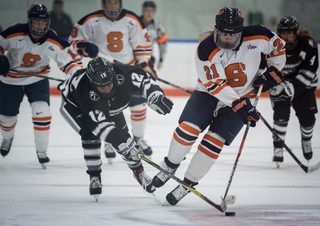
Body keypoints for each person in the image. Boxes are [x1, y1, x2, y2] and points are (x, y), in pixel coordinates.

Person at [151, 7, 286, 206]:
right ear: (217, 30)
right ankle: (170, 165)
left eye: (232, 34)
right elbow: (216, 85)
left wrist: (274, 70)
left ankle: (188, 183)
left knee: (214, 142)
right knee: (186, 131)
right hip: (208, 93)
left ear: (240, 31)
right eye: (223, 33)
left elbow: (279, 47)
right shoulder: (206, 49)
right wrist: (240, 104)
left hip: (243, 96)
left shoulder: (259, 35)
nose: (228, 38)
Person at [58, 57, 173, 199]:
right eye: (101, 86)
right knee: (90, 134)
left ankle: (139, 173)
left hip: (107, 105)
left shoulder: (123, 73)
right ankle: (94, 175)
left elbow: (144, 80)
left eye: (108, 83)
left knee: (125, 137)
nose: (106, 88)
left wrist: (155, 96)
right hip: (75, 106)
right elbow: (99, 126)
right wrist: (121, 143)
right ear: (92, 82)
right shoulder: (87, 94)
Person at [69, 0, 158, 163]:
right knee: (109, 110)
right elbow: (72, 44)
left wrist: (144, 65)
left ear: (120, 4)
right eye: (109, 3)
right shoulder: (89, 20)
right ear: (103, 4)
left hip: (127, 72)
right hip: (101, 76)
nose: (112, 7)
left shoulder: (132, 20)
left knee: (139, 105)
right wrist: (84, 47)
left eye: (115, 3)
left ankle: (138, 139)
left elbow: (143, 46)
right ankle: (111, 142)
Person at [0, 3, 83, 169]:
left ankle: (41, 150)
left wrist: (78, 75)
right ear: (29, 21)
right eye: (36, 22)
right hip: (10, 80)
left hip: (37, 80)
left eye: (43, 22)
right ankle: (7, 138)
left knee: (42, 112)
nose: (40, 26)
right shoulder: (14, 32)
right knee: (6, 119)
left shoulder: (53, 39)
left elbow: (66, 60)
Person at [269, 16, 318, 166]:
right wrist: (272, 83)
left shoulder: (308, 45)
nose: (287, 36)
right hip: (281, 86)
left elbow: (310, 71)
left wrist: (292, 87)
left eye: (290, 33)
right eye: (284, 33)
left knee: (308, 119)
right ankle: (278, 147)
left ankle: (306, 140)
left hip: (304, 87)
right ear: (279, 33)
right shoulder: (272, 45)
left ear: (296, 33)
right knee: (281, 116)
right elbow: (266, 67)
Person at [141, 1, 168, 70]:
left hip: (148, 58)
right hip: (133, 58)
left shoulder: (157, 26)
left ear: (154, 13)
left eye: (151, 11)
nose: (149, 13)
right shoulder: (135, 23)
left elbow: (163, 42)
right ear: (143, 11)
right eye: (147, 10)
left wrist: (161, 59)